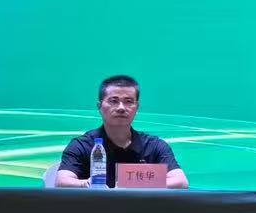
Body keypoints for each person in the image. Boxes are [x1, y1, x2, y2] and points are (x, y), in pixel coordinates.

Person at [56, 74, 188, 189]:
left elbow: (180, 181)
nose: (121, 108)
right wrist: (87, 184)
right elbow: (61, 181)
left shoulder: (154, 146)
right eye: (114, 101)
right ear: (99, 106)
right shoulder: (82, 145)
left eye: (128, 101)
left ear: (137, 107)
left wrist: (134, 184)